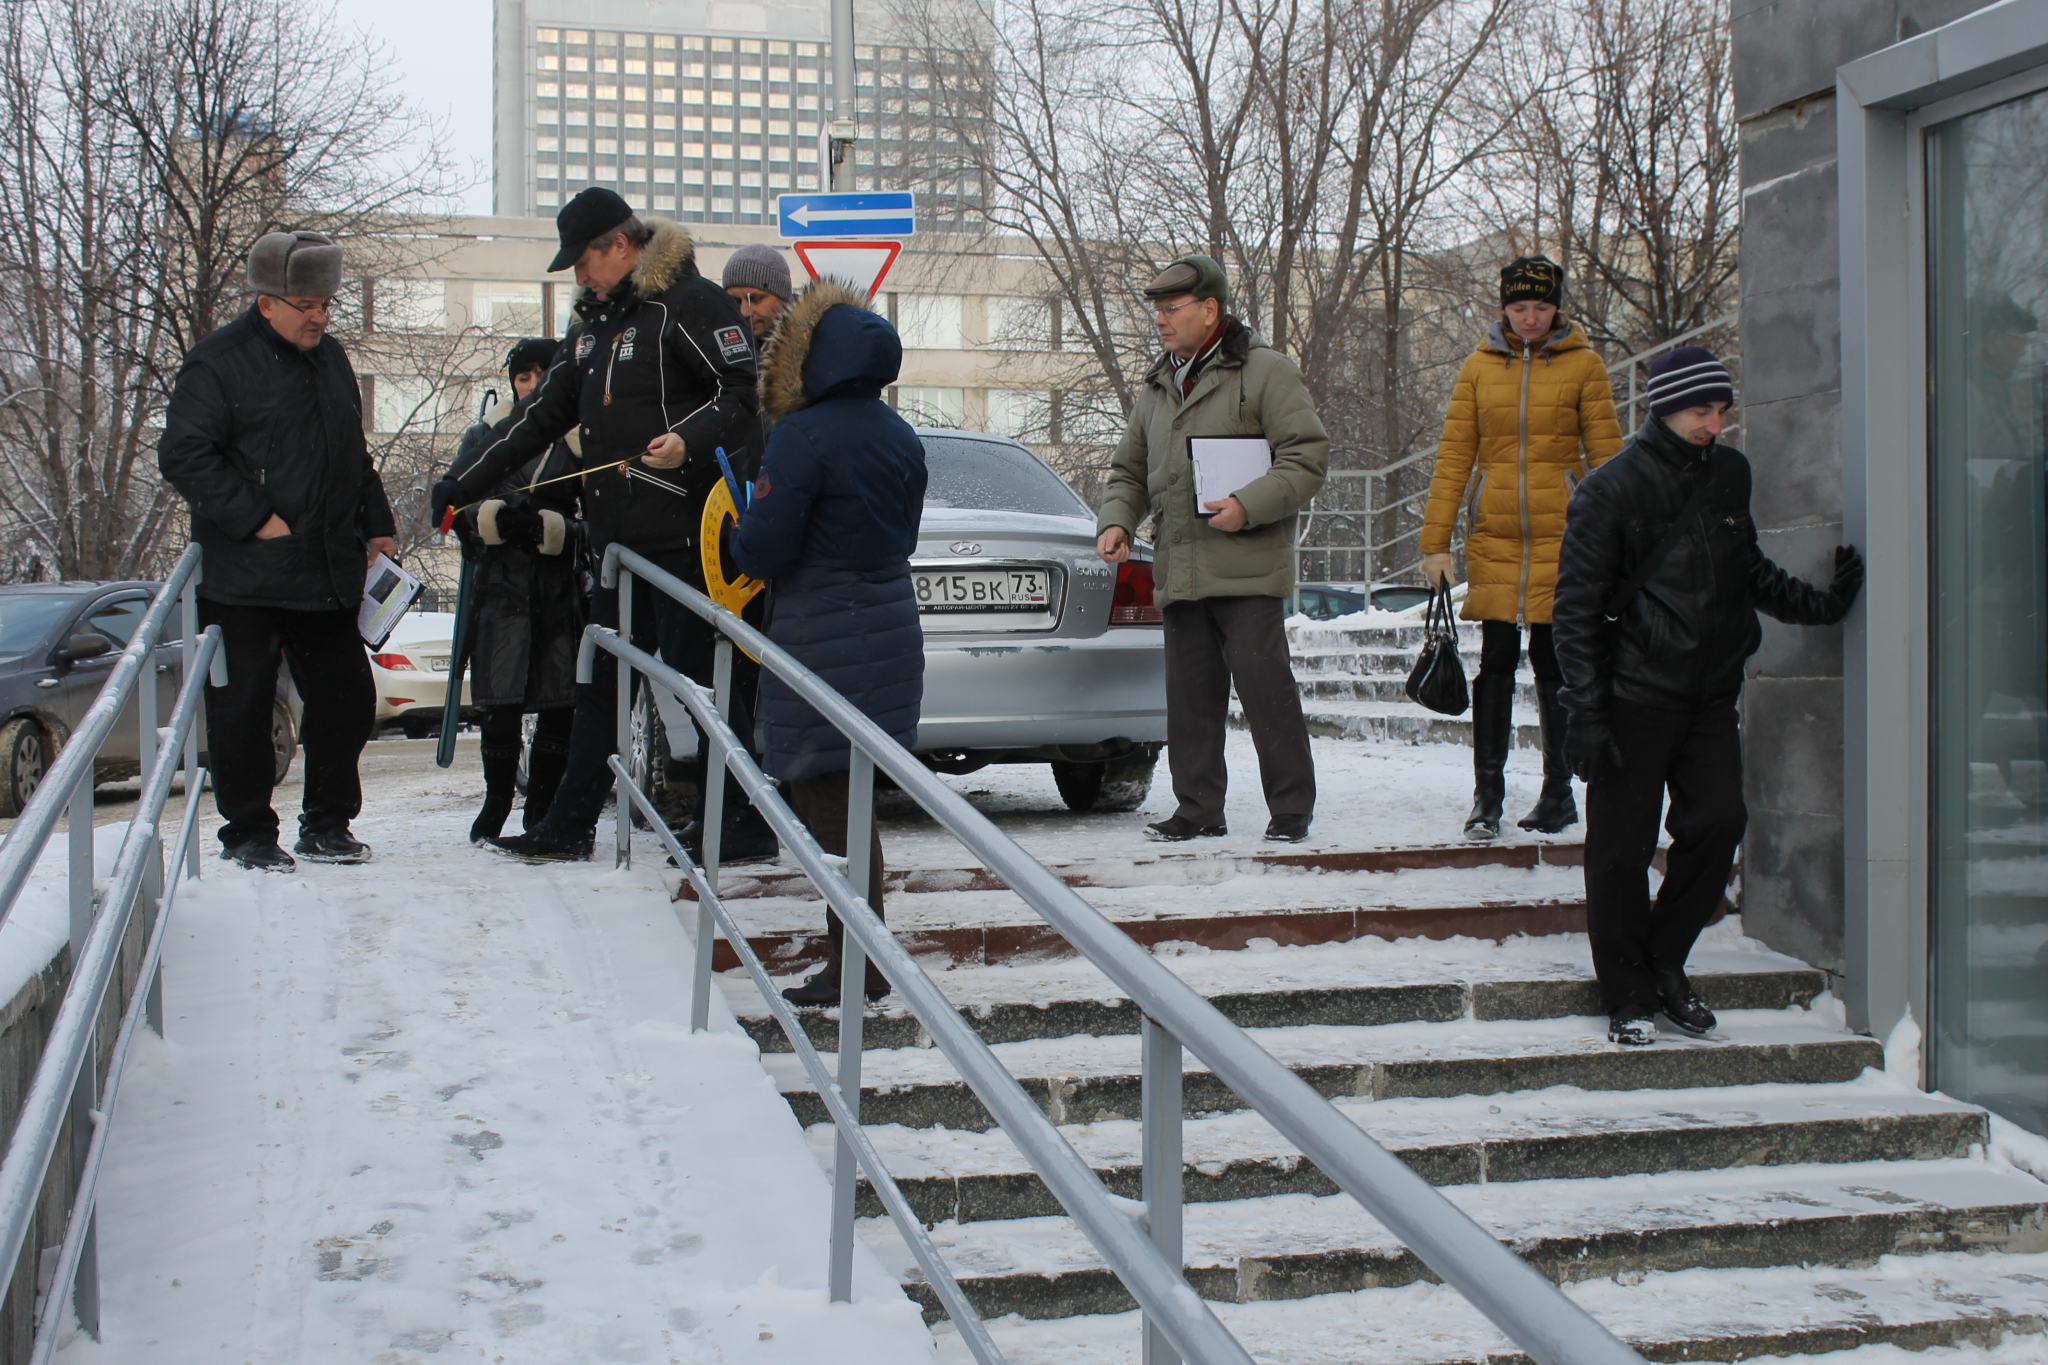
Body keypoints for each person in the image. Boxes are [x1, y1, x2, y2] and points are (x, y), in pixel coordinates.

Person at [429, 187, 775, 863]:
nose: (579, 277)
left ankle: (743, 820)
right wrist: (461, 484)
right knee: (600, 681)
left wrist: (687, 439)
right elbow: (539, 416)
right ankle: (568, 824)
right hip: (617, 543)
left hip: (684, 538)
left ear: (620, 245)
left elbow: (742, 397)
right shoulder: (594, 325)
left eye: (584, 262)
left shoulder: (689, 302)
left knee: (700, 679)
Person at [1551, 345, 1864, 1047]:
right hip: (1635, 697)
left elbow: (1744, 568)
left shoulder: (1729, 473)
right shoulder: (1611, 490)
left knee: (1720, 823)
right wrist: (1587, 713)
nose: (1714, 424)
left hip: (1710, 696)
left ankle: (1663, 958)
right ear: (1664, 407)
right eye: (1701, 410)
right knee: (1619, 853)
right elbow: (1573, 611)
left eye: (1722, 410)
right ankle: (1628, 994)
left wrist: (1822, 604)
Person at [157, 230, 397, 872]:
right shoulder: (218, 362)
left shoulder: (332, 358)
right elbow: (182, 454)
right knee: (243, 710)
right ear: (267, 302)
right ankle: (249, 834)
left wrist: (376, 518)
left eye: (326, 303)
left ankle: (327, 823)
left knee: (347, 700)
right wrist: (255, 517)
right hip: (246, 579)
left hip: (326, 570)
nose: (320, 315)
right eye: (306, 304)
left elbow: (352, 452)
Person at [729, 281, 925, 1007]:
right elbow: (899, 536)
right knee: (851, 805)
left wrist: (740, 532)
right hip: (889, 624)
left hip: (821, 632)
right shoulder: (900, 433)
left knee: (828, 810)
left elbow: (767, 550)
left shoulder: (800, 436)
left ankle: (858, 964)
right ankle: (857, 956)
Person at [1096, 254, 1329, 844]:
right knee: (1190, 701)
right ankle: (1198, 808)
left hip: (1246, 568)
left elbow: (1306, 457)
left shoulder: (1266, 372)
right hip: (1181, 568)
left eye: (1171, 309)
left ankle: (1291, 809)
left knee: (1266, 693)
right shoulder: (1156, 387)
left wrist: (1249, 503)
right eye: (1157, 310)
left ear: (1210, 309)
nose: (1160, 320)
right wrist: (1118, 520)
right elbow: (1129, 470)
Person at [1419, 255, 1623, 842]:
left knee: (1556, 664)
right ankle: (1487, 797)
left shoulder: (1586, 366)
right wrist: (1435, 543)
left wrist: (1617, 540)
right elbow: (1454, 457)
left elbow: (1607, 460)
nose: (1530, 318)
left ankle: (1558, 792)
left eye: (1540, 306)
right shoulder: (1479, 368)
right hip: (1497, 537)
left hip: (1567, 539)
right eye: (1518, 307)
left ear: (1558, 306)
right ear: (1504, 308)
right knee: (1496, 665)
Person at [443, 337, 584, 844]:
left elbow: (600, 522)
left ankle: (542, 806)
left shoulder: (579, 442)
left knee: (557, 701)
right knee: (499, 704)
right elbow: (454, 507)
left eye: (540, 376)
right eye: (523, 376)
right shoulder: (485, 436)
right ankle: (496, 801)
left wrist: (554, 529)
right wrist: (493, 521)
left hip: (557, 589)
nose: (530, 386)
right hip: (501, 588)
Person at [722, 244, 793, 344]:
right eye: (735, 301)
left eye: (756, 299)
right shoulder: (715, 346)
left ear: (784, 297)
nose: (744, 312)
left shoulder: (815, 348)